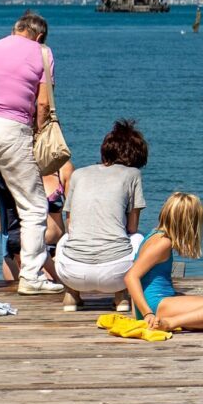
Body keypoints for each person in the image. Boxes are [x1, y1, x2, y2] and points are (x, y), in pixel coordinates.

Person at [0, 11, 63, 295]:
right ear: (39, 36)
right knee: (33, 205)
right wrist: (38, 133)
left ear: (15, 30)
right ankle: (31, 276)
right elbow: (43, 104)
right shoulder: (43, 52)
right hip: (11, 126)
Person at [53, 119, 149, 313]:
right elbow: (132, 227)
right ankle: (121, 295)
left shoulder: (79, 174)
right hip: (116, 275)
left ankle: (72, 294)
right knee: (139, 238)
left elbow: (70, 223)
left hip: (72, 272)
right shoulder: (132, 175)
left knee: (66, 237)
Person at [125, 191, 203, 332]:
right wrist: (147, 313)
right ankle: (170, 323)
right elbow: (131, 277)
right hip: (155, 305)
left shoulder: (155, 235)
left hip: (156, 302)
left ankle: (176, 321)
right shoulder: (163, 243)